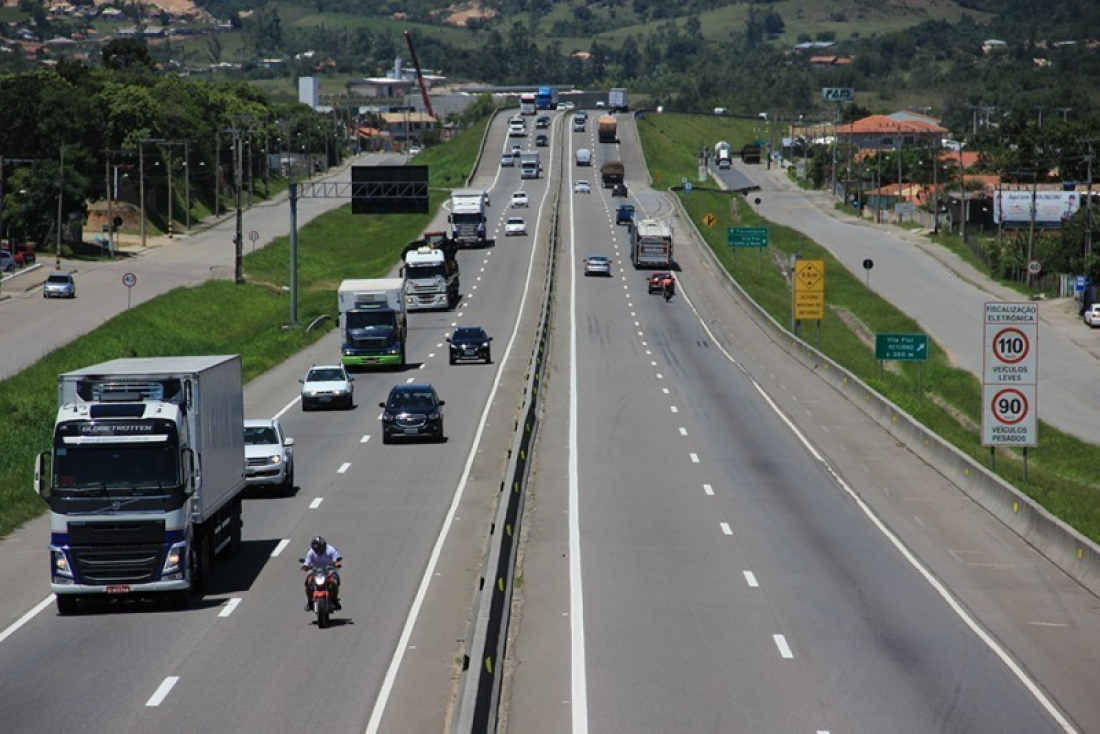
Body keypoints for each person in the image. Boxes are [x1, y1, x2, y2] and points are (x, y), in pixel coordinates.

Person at [302, 535, 341, 612]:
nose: (318, 551)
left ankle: (334, 600)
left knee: (334, 582)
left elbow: (336, 557)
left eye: (319, 548)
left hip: (329, 571)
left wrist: (337, 562)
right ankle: (309, 602)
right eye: (316, 549)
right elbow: (307, 561)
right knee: (309, 582)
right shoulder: (311, 552)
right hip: (316, 571)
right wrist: (305, 566)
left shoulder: (330, 550)